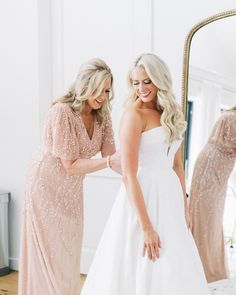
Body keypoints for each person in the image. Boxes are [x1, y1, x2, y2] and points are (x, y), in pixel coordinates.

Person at [81, 53, 209, 295]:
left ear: (159, 79)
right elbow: (128, 174)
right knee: (143, 261)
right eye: (136, 83)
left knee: (175, 264)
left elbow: (177, 166)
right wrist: (147, 227)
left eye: (146, 81)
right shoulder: (133, 115)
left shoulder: (173, 113)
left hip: (169, 196)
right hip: (143, 195)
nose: (141, 88)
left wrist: (185, 206)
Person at [18, 58, 120, 295]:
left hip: (72, 189)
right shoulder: (61, 112)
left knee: (68, 250)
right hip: (45, 185)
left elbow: (111, 155)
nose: (104, 96)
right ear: (85, 85)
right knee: (49, 252)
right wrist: (109, 162)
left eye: (107, 90)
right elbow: (71, 164)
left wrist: (137, 176)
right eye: (99, 89)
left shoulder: (103, 116)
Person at [189, 107, 236, 283]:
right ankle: (201, 266)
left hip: (219, 168)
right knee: (205, 216)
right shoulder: (231, 117)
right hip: (210, 166)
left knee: (213, 217)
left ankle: (210, 264)